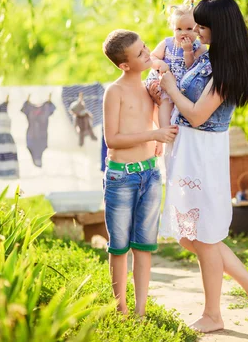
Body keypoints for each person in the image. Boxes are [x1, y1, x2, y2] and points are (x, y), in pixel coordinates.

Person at [157, 0, 248, 332]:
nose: (196, 29)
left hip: (203, 152)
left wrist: (169, 88)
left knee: (203, 235)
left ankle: (213, 315)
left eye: (202, 25)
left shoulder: (228, 67)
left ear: (219, 27)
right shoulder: (208, 57)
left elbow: (195, 114)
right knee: (188, 235)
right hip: (188, 150)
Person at [101, 29, 179, 316]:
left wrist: (160, 102)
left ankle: (141, 311)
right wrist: (154, 135)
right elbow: (113, 139)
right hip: (121, 177)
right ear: (124, 65)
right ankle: (120, 309)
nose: (148, 54)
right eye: (140, 53)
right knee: (119, 246)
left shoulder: (150, 88)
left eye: (146, 48)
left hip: (149, 175)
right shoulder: (115, 92)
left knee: (143, 246)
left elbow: (160, 121)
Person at [145, 0, 207, 128]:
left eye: (189, 29)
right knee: (165, 106)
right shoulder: (167, 43)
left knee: (181, 110)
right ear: (173, 29)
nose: (183, 33)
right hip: (165, 83)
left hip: (183, 86)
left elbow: (192, 68)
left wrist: (188, 51)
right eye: (178, 29)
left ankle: (177, 131)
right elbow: (152, 58)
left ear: (197, 28)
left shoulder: (198, 47)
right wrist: (160, 64)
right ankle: (164, 131)